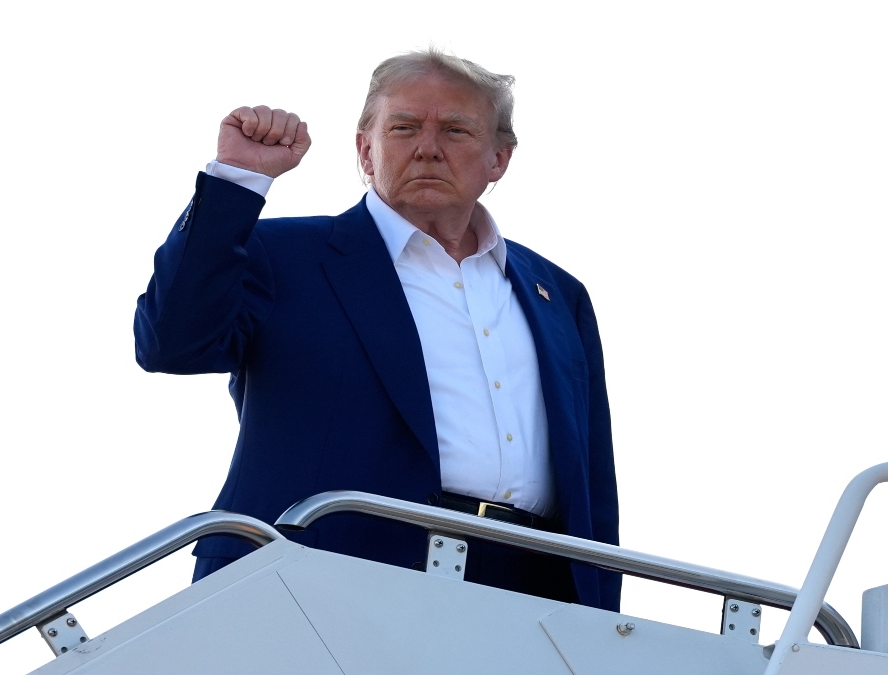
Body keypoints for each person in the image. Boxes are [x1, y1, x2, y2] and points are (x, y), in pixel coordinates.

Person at [134, 48, 620, 611]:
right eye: (404, 127)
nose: (428, 147)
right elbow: (171, 342)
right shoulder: (283, 255)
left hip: (529, 591)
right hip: (320, 581)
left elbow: (590, 478)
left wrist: (601, 614)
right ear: (366, 149)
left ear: (499, 159)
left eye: (457, 130)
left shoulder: (558, 293)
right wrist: (238, 182)